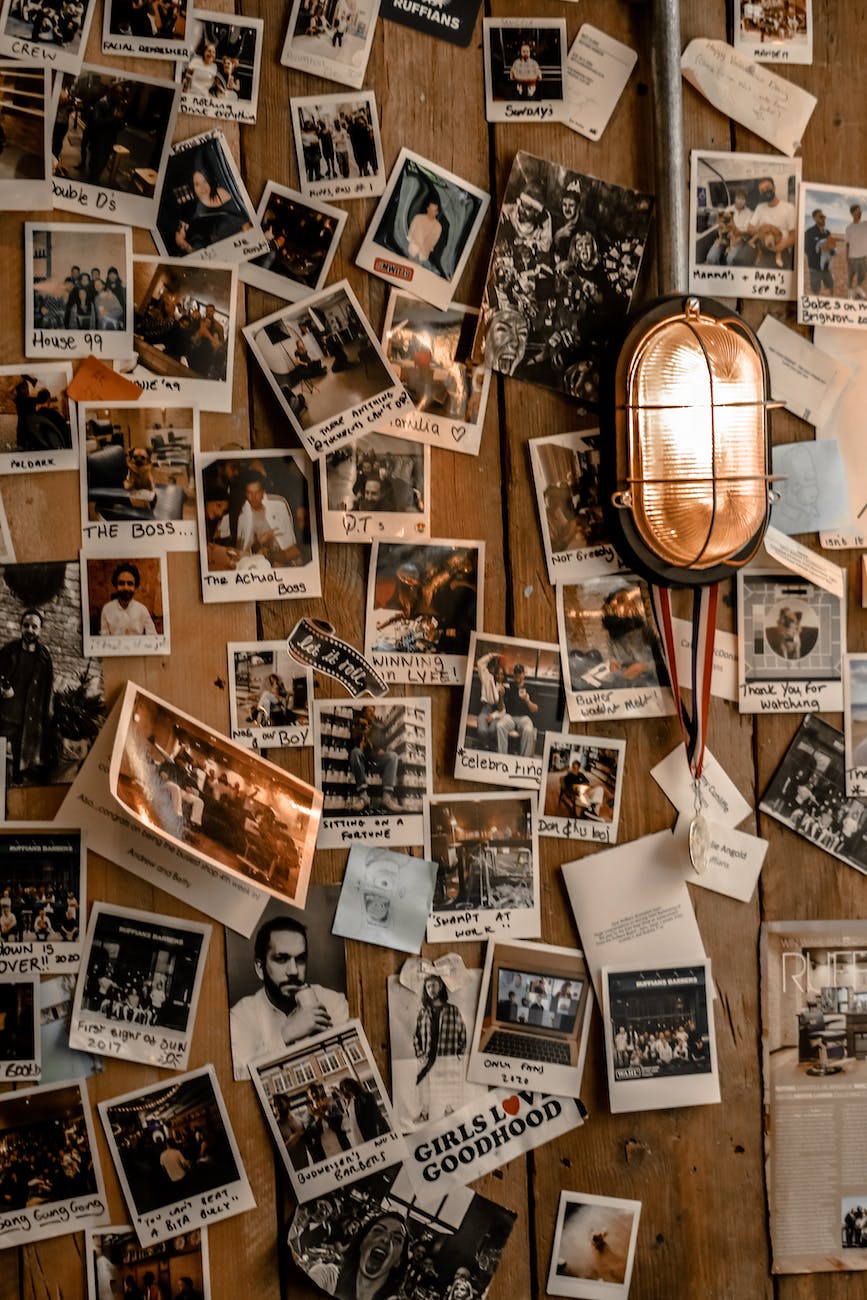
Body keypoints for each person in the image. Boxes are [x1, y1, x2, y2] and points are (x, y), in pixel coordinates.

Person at [229, 916, 348, 1076]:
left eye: (300, 959)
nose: (293, 971)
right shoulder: (241, 1016)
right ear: (259, 968)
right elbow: (239, 1078)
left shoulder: (334, 1002)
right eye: (281, 959)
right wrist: (285, 1035)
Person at [0, 609, 54, 784]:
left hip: (28, 718)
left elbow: (48, 690)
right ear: (20, 627)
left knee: (19, 760)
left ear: (40, 630)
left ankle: (15, 784)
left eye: (34, 627)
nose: (29, 630)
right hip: (5, 715)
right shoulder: (8, 651)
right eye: (26, 625)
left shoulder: (45, 658)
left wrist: (47, 716)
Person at [412, 973, 467, 1123]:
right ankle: (425, 1113)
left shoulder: (452, 1010)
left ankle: (449, 1110)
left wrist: (460, 1052)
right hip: (428, 1054)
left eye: (434, 985)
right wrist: (419, 1053)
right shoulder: (423, 1011)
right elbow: (416, 1034)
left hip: (446, 1052)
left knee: (447, 1082)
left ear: (440, 986)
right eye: (428, 986)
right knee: (425, 1083)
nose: (431, 989)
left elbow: (462, 1030)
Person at [175, 160, 252, 254]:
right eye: (197, 184)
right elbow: (179, 238)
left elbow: (243, 214)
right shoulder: (192, 210)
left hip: (247, 239)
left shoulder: (222, 192)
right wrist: (187, 247)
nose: (203, 188)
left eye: (205, 181)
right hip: (228, 249)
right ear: (192, 187)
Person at [235, 470, 302, 566]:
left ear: (263, 492)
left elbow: (293, 543)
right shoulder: (242, 517)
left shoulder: (279, 505)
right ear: (245, 494)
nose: (254, 498)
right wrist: (259, 542)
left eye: (257, 492)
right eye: (250, 493)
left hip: (285, 558)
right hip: (260, 562)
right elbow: (242, 554)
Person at [348, 705, 402, 812]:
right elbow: (353, 741)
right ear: (363, 713)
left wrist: (382, 748)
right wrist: (360, 726)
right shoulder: (358, 724)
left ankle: (387, 798)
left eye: (373, 711)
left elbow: (384, 741)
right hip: (363, 759)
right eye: (369, 711)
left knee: (393, 756)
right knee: (355, 752)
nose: (372, 713)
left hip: (378, 758)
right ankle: (364, 797)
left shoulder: (379, 726)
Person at [742, 177, 796, 269]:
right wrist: (762, 228)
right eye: (762, 190)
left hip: (781, 245)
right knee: (742, 260)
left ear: (774, 188)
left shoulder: (789, 208)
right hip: (763, 242)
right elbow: (750, 228)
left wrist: (780, 247)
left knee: (761, 268)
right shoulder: (760, 207)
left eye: (767, 188)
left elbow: (793, 235)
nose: (765, 191)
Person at [99, 564, 158, 638]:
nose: (126, 588)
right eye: (121, 583)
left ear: (135, 586)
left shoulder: (142, 610)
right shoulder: (107, 609)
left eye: (130, 584)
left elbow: (153, 638)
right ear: (115, 585)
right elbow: (104, 640)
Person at [498, 662, 538, 757]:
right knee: (500, 725)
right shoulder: (509, 686)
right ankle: (501, 757)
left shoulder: (530, 688)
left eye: (520, 673)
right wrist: (500, 697)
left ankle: (524, 761)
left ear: (524, 674)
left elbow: (535, 709)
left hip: (524, 718)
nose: (518, 675)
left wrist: (527, 700)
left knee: (529, 730)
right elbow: (501, 708)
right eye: (516, 673)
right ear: (513, 674)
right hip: (510, 717)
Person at [339, 1076, 388, 1145]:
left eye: (347, 1085)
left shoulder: (365, 1096)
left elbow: (375, 1114)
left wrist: (379, 1129)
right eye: (343, 1087)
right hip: (357, 1133)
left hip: (369, 1131)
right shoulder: (350, 1101)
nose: (346, 1088)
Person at [804, 208, 836, 295]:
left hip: (826, 267)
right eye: (820, 216)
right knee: (815, 291)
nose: (823, 218)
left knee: (831, 285)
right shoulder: (809, 232)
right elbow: (806, 250)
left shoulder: (827, 232)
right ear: (814, 218)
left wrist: (832, 251)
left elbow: (831, 248)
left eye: (824, 217)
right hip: (815, 268)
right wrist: (821, 250)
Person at [846, 203, 867, 298]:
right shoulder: (849, 228)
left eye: (861, 211)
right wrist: (847, 257)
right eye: (858, 211)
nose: (860, 213)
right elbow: (847, 244)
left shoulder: (865, 224)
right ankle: (850, 293)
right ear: (853, 213)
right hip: (852, 257)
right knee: (850, 277)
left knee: (862, 276)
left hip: (863, 257)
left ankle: (858, 288)